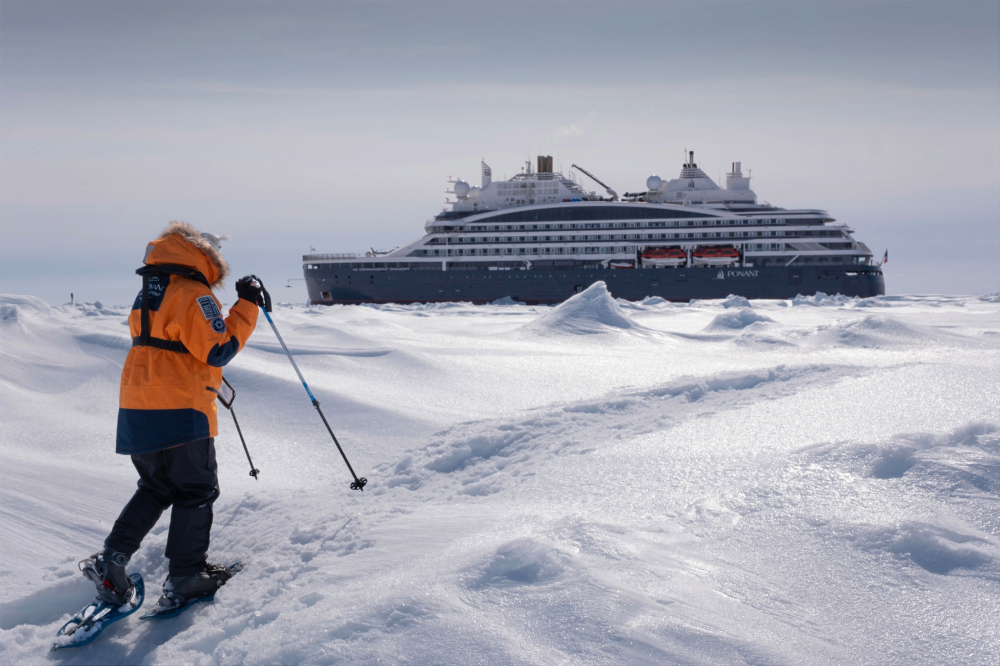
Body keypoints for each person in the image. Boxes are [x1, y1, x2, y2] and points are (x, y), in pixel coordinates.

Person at [79, 221, 263, 613]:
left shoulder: (148, 293)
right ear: (205, 258)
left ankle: (112, 559)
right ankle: (186, 575)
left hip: (138, 403)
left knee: (157, 487)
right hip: (180, 406)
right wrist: (247, 305)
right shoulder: (194, 294)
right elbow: (217, 350)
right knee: (196, 491)